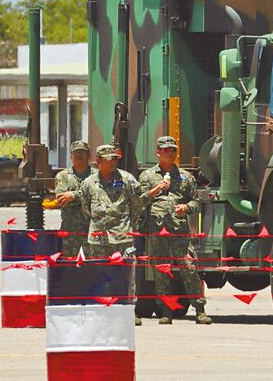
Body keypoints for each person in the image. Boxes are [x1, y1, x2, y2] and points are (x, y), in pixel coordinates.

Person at [139, 136, 212, 325]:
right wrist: (155, 190)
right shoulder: (147, 176)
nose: (170, 153)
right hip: (157, 229)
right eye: (166, 150)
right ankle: (166, 311)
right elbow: (139, 201)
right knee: (161, 270)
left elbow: (196, 202)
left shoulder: (186, 177)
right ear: (157, 152)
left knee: (189, 267)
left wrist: (186, 207)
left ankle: (200, 310)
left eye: (173, 150)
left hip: (179, 230)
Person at [78, 143, 143, 259]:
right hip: (98, 240)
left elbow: (137, 206)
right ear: (98, 160)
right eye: (108, 158)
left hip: (122, 239)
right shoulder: (88, 183)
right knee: (99, 270)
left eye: (114, 158)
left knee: (124, 270)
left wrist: (127, 226)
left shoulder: (127, 180)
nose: (112, 161)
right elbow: (86, 210)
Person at [54, 140, 92, 258]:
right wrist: (86, 198)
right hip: (70, 230)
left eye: (82, 153)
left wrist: (73, 196)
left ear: (89, 156)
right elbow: (62, 199)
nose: (79, 156)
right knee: (67, 263)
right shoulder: (63, 176)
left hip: (91, 230)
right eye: (76, 153)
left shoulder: (96, 175)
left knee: (94, 263)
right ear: (71, 156)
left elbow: (98, 197)